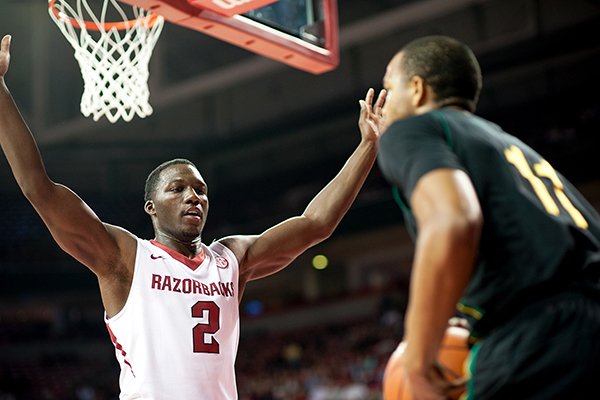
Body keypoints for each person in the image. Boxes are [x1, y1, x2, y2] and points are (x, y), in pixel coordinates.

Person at [0, 34, 386, 399]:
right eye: (178, 189)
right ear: (151, 207)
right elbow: (39, 187)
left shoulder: (230, 259)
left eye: (200, 190)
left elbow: (315, 224)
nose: (193, 197)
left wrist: (368, 146)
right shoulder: (125, 257)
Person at [372, 35, 600, 399]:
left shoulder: (412, 130)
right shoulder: (512, 147)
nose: (383, 105)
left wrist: (417, 359)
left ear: (416, 90)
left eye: (388, 88)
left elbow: (454, 221)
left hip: (543, 338)